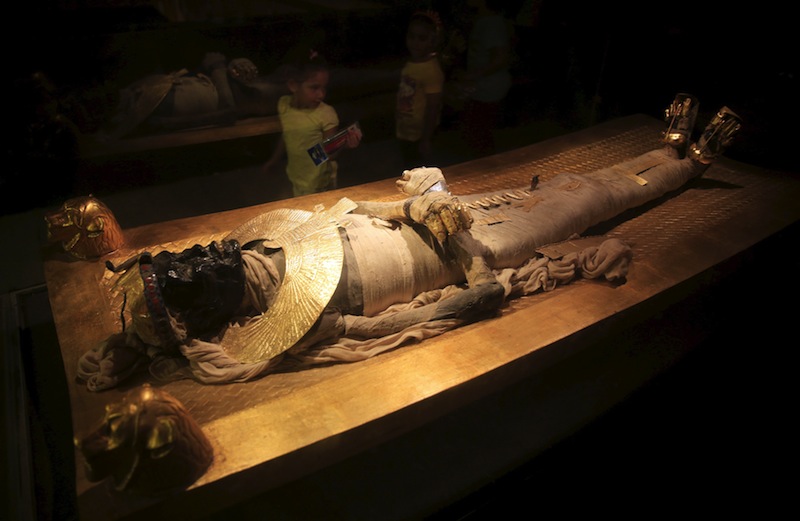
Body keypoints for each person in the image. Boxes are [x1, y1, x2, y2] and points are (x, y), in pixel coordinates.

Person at [77, 95, 741, 390]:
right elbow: (399, 323)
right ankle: (686, 163)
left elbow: (352, 206)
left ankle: (666, 147)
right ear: (210, 312)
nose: (205, 255)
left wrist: (415, 200)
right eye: (197, 271)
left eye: (193, 254)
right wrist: (473, 296)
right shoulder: (294, 324)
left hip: (435, 217)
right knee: (586, 205)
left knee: (562, 188)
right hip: (466, 251)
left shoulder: (263, 244)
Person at [262, 50, 362, 197]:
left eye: (324, 88)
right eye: (314, 88)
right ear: (293, 85)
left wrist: (345, 144)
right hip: (296, 178)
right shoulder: (284, 105)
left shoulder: (326, 114)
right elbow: (287, 134)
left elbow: (328, 153)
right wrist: (274, 160)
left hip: (319, 184)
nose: (321, 94)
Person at [451, 0, 513, 158]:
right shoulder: (482, 21)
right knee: (476, 131)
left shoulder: (492, 23)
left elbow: (500, 58)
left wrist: (471, 75)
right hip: (481, 87)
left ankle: (486, 169)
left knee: (479, 133)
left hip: (489, 89)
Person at [396, 10, 446, 169]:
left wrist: (426, 139)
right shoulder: (411, 63)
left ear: (432, 41)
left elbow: (433, 107)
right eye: (411, 36)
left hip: (421, 135)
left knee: (421, 171)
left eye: (422, 38)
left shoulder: (431, 70)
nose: (415, 42)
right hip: (405, 131)